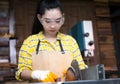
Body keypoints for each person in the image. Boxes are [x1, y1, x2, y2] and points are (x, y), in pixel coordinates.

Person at [15, 0, 88, 82]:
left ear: (63, 18)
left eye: (57, 21)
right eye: (48, 21)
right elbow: (21, 72)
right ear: (40, 18)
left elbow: (81, 68)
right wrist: (37, 74)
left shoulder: (70, 41)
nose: (53, 26)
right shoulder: (30, 42)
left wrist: (72, 73)